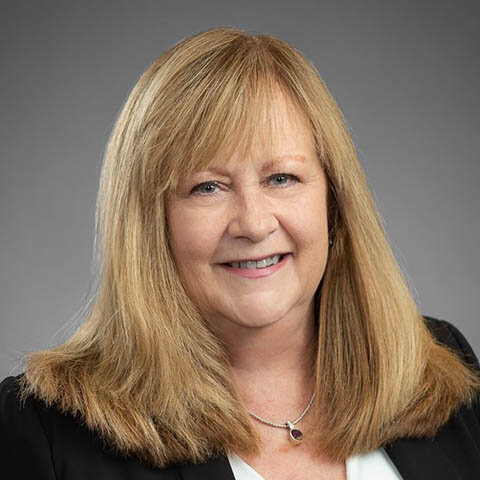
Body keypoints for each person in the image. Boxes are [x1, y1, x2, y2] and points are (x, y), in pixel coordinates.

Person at [1, 27, 479, 480]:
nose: (253, 223)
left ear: (335, 202)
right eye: (207, 187)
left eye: (282, 178)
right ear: (151, 224)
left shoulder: (437, 363)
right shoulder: (44, 431)